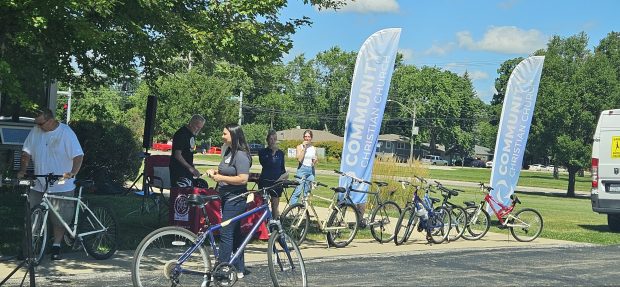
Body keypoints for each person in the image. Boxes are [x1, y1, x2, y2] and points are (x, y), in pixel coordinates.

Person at [17, 108, 84, 261]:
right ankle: (28, 247)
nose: (38, 126)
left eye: (41, 123)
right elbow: (26, 152)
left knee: (59, 219)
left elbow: (78, 156)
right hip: (40, 182)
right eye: (37, 124)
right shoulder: (36, 131)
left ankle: (57, 246)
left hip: (61, 183)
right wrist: (22, 170)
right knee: (32, 215)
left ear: (51, 120)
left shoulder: (66, 133)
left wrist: (72, 173)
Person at [205, 124, 252, 279]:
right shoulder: (228, 151)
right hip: (225, 197)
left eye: (225, 133)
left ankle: (222, 269)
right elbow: (226, 170)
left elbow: (243, 178)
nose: (222, 136)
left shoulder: (241, 155)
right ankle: (239, 268)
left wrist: (221, 178)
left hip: (236, 199)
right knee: (236, 233)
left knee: (226, 233)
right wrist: (215, 172)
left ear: (233, 135)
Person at [169, 115, 205, 187]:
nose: (198, 130)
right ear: (191, 123)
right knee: (180, 195)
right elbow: (177, 154)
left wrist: (198, 150)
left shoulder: (191, 134)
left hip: (187, 170)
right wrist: (190, 168)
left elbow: (188, 149)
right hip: (179, 169)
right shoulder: (182, 134)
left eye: (200, 128)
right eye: (197, 127)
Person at [258, 130, 286, 218]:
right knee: (263, 204)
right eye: (271, 139)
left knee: (275, 205)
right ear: (267, 140)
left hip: (276, 182)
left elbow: (282, 167)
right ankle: (263, 223)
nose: (273, 141)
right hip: (265, 181)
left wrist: (284, 176)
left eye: (275, 139)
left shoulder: (281, 153)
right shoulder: (263, 152)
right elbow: (264, 164)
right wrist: (273, 153)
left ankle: (275, 224)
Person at [289, 130, 317, 205]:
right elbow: (299, 159)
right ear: (303, 137)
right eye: (305, 136)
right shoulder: (299, 147)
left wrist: (315, 161)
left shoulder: (314, 148)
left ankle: (303, 211)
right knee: (297, 191)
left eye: (309, 137)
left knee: (307, 193)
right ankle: (291, 209)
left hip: (310, 171)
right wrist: (304, 148)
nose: (307, 138)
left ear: (311, 138)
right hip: (302, 169)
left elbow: (314, 161)